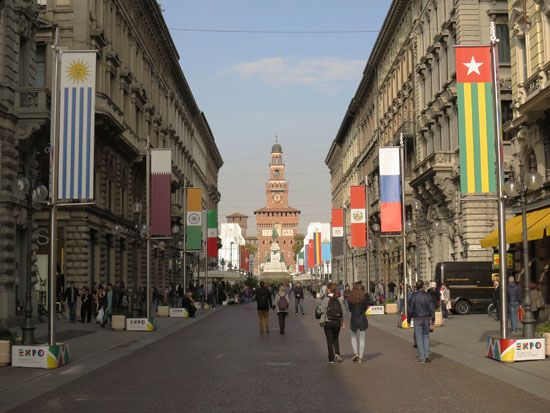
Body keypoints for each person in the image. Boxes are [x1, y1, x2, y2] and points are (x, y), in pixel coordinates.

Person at [318, 283, 347, 364]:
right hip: (337, 322)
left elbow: (321, 310)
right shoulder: (339, 299)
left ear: (329, 289)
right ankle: (337, 354)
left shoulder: (326, 299)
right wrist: (342, 321)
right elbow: (343, 311)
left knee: (329, 340)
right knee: (336, 338)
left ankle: (331, 358)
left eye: (328, 288)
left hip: (328, 321)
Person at [408, 280, 435, 363]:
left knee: (419, 338)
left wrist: (409, 319)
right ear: (423, 286)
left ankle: (422, 357)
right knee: (426, 336)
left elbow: (410, 309)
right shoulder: (428, 296)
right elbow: (432, 309)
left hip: (417, 318)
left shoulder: (413, 296)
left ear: (416, 287)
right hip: (426, 318)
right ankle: (426, 355)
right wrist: (433, 321)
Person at [348, 281, 370, 363]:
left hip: (354, 318)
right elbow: (365, 308)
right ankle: (360, 357)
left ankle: (356, 353)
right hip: (362, 319)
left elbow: (349, 309)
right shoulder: (365, 297)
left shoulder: (351, 297)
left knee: (353, 337)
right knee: (362, 339)